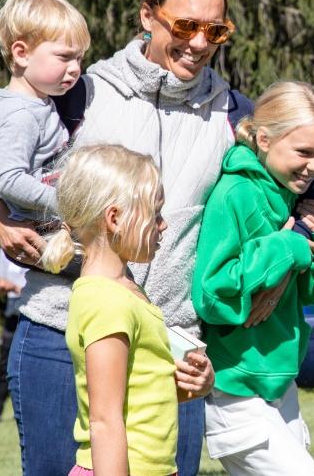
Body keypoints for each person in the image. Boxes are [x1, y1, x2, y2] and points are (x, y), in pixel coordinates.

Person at [0, 0, 243, 475]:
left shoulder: (232, 111)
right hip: (61, 336)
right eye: (185, 25)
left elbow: (306, 167)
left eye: (216, 30)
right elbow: (1, 164)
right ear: (147, 15)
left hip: (166, 348)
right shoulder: (81, 91)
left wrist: (303, 230)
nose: (200, 42)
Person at [193, 81, 314, 475]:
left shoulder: (300, 195)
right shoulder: (235, 194)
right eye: (303, 152)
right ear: (264, 138)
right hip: (234, 388)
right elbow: (212, 294)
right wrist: (286, 248)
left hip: (282, 383)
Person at [39, 144, 210, 475]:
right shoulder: (107, 302)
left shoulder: (125, 290)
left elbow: (141, 396)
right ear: (114, 218)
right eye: (155, 214)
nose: (163, 226)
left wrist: (195, 384)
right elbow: (104, 421)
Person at [0, 0, 89, 226]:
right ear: (22, 54)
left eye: (79, 58)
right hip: (38, 232)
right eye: (64, 57)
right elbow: (7, 178)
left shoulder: (38, 101)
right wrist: (64, 202)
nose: (75, 69)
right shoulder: (20, 116)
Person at [0, 251, 28, 422]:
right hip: (12, 309)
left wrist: (16, 286)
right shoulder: (5, 251)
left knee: (28, 364)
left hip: (32, 304)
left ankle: (25, 410)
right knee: (5, 362)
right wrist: (13, 287)